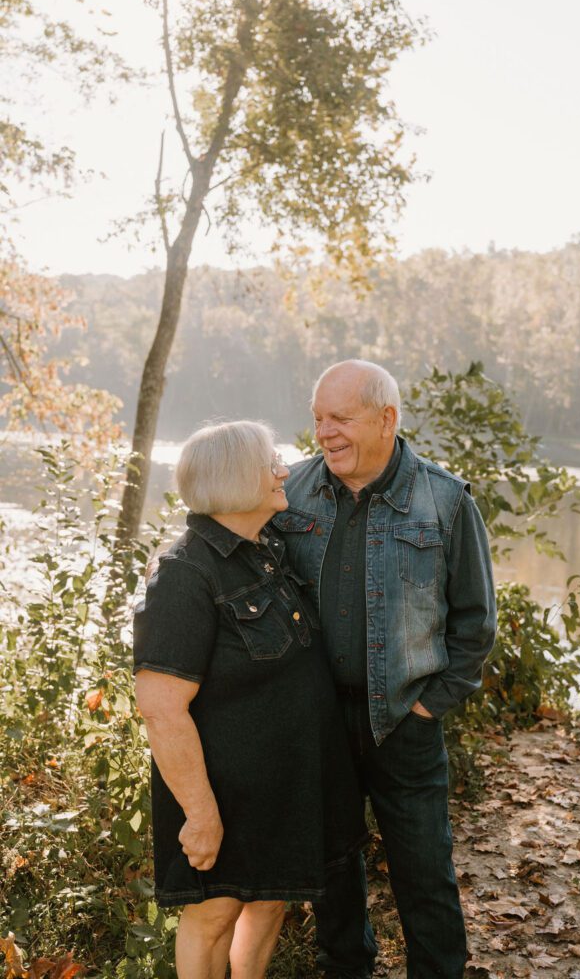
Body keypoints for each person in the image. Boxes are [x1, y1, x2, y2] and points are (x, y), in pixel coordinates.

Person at [272, 360, 497, 979]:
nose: (324, 432)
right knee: (333, 876)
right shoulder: (287, 491)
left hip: (405, 721)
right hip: (319, 722)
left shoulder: (444, 500)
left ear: (386, 419)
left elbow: (475, 624)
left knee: (425, 875)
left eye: (339, 418)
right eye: (318, 417)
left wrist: (429, 707)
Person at [133, 420, 368, 979]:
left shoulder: (267, 549)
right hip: (224, 791)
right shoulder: (184, 574)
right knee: (215, 915)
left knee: (267, 902)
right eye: (271, 463)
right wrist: (201, 813)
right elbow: (162, 708)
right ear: (237, 478)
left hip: (285, 785)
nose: (284, 471)